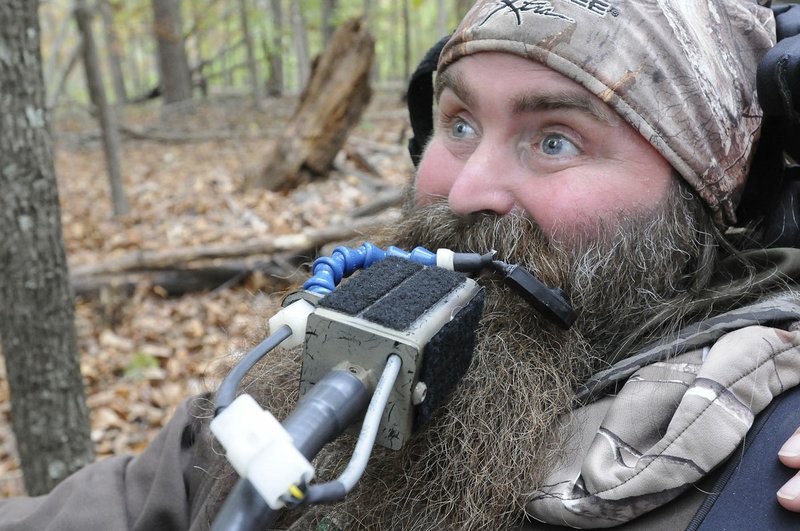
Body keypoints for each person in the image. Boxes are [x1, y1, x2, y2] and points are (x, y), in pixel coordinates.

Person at [1, 0, 800, 529]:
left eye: (555, 139)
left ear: (707, 197)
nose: (467, 186)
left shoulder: (764, 472)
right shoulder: (304, 385)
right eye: (457, 123)